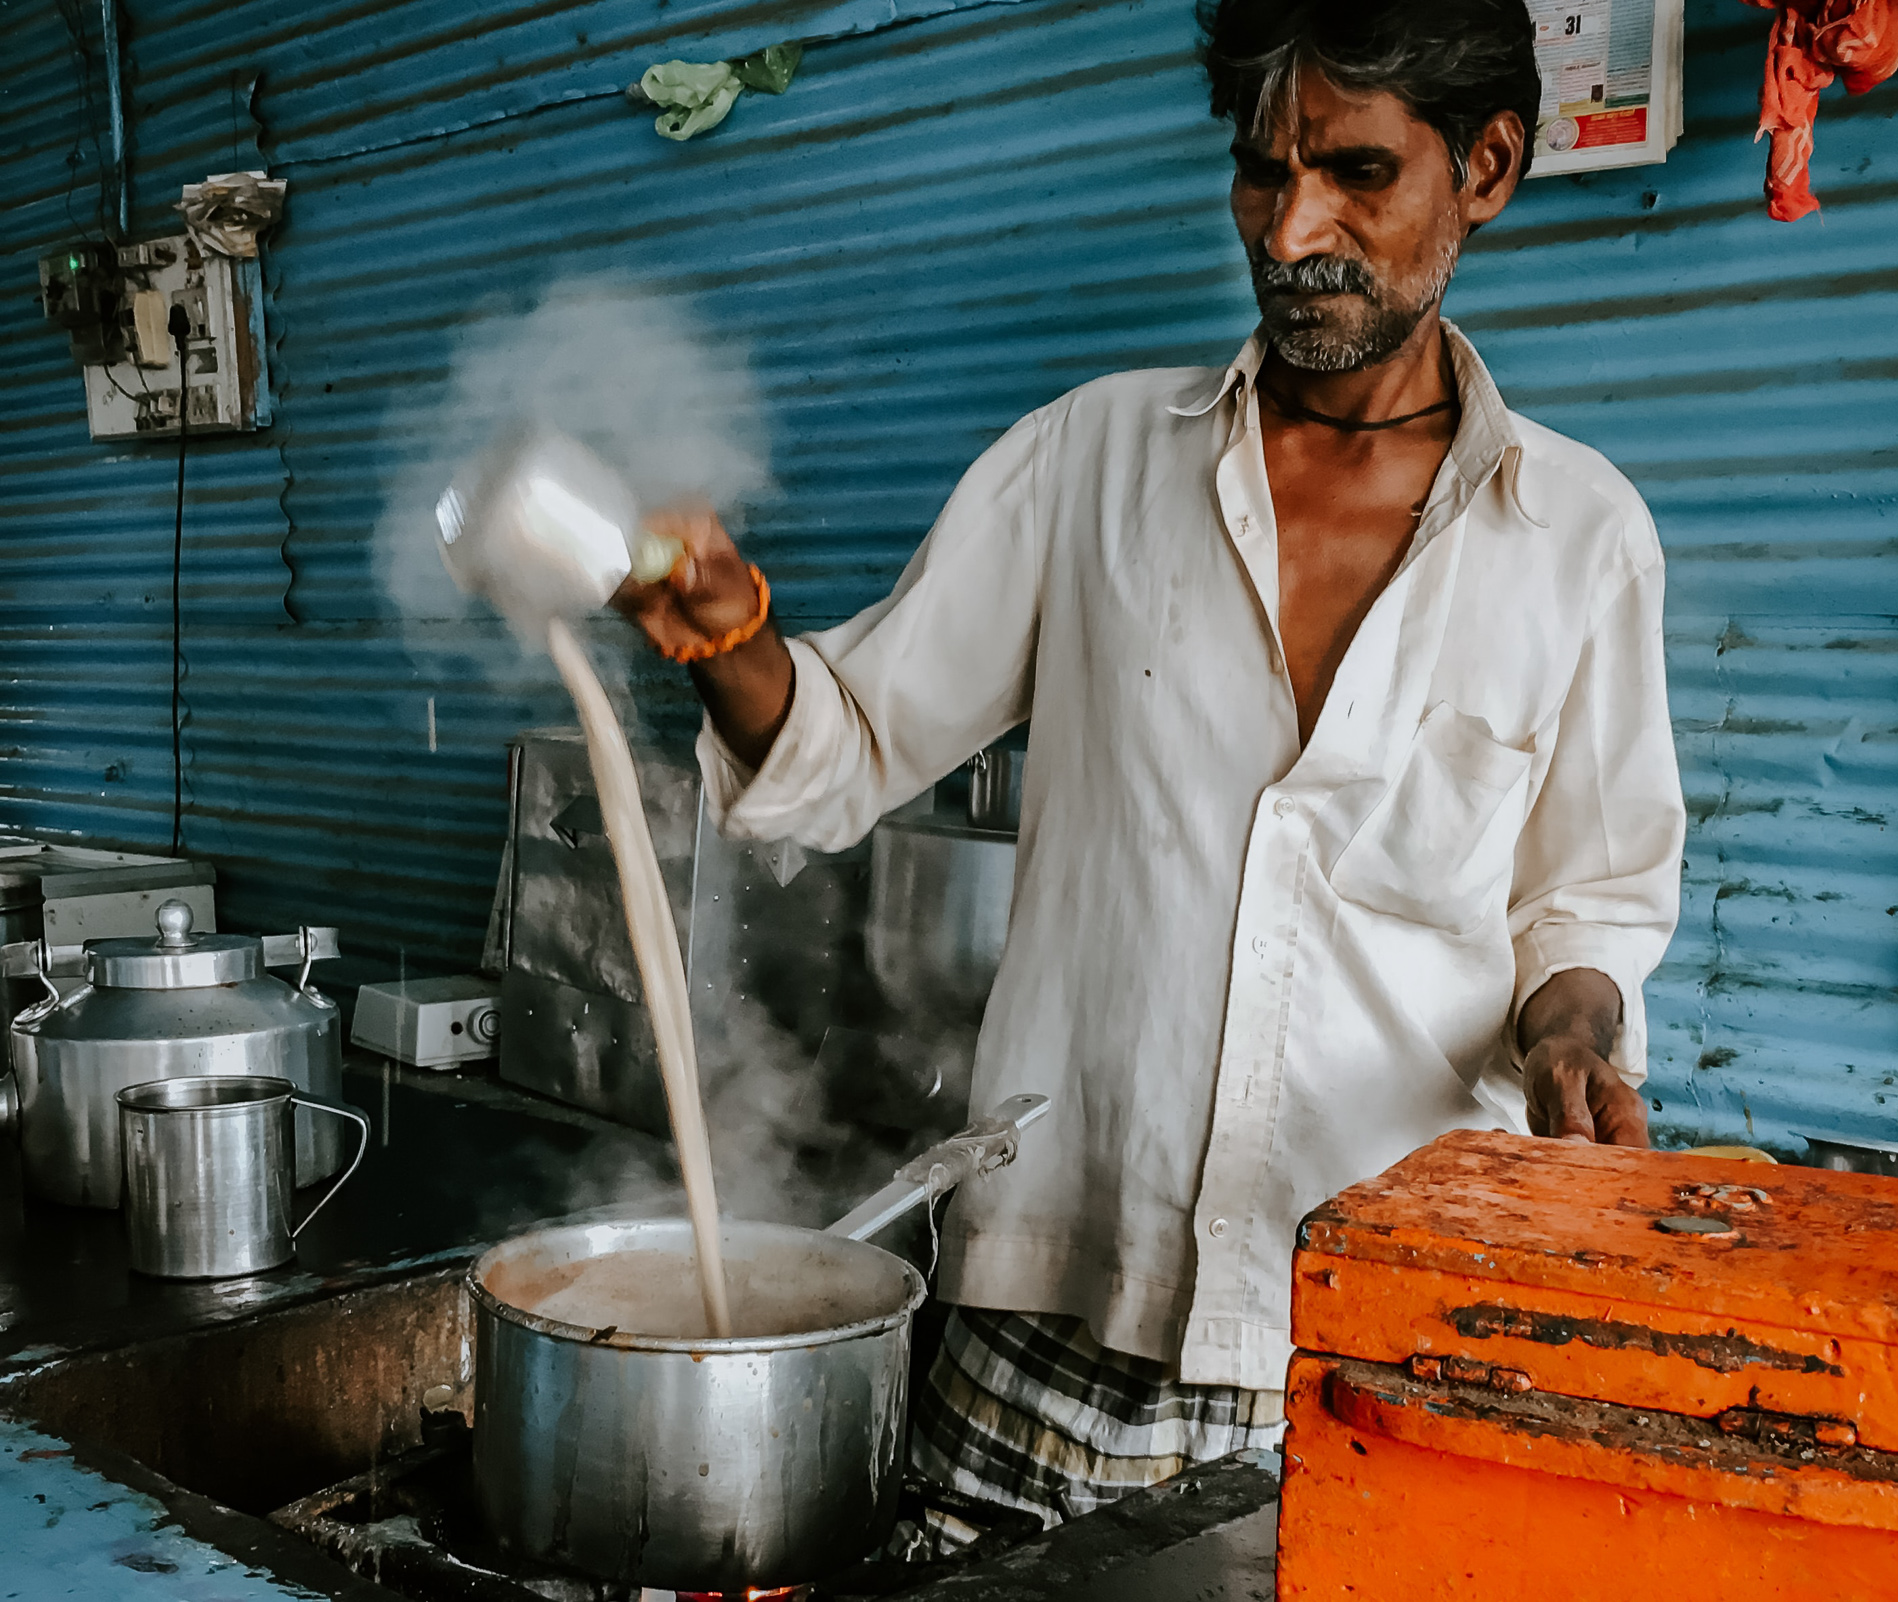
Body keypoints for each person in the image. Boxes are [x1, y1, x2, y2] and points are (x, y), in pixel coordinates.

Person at [619, 0, 1685, 1534]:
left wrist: (1576, 1038)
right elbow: (844, 746)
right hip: (1045, 1316)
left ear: (1490, 167)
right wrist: (728, 636)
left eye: (1357, 174)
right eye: (1263, 172)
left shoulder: (1580, 538)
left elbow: (1583, 904)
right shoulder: (1089, 463)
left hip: (1361, 1354)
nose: (1292, 226)